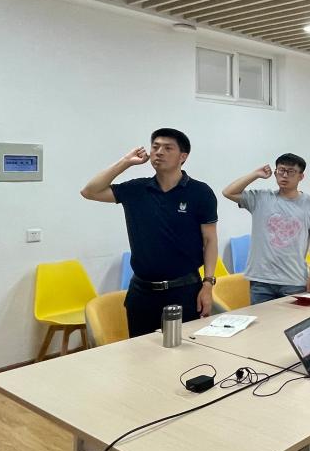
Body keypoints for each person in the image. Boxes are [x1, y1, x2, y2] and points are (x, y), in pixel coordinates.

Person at [80, 128, 217, 337]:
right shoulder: (136, 189)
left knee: (185, 351)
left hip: (185, 290)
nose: (159, 152)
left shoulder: (200, 192)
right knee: (141, 352)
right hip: (142, 293)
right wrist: (126, 162)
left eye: (168, 148)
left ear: (183, 157)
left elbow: (210, 241)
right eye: (155, 147)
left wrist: (208, 284)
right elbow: (90, 191)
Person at [222, 153, 310, 304]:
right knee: (262, 319)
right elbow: (228, 192)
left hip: (293, 280)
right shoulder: (261, 198)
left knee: (292, 319)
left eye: (291, 172)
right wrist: (255, 174)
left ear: (301, 176)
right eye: (281, 170)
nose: (284, 175)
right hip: (261, 280)